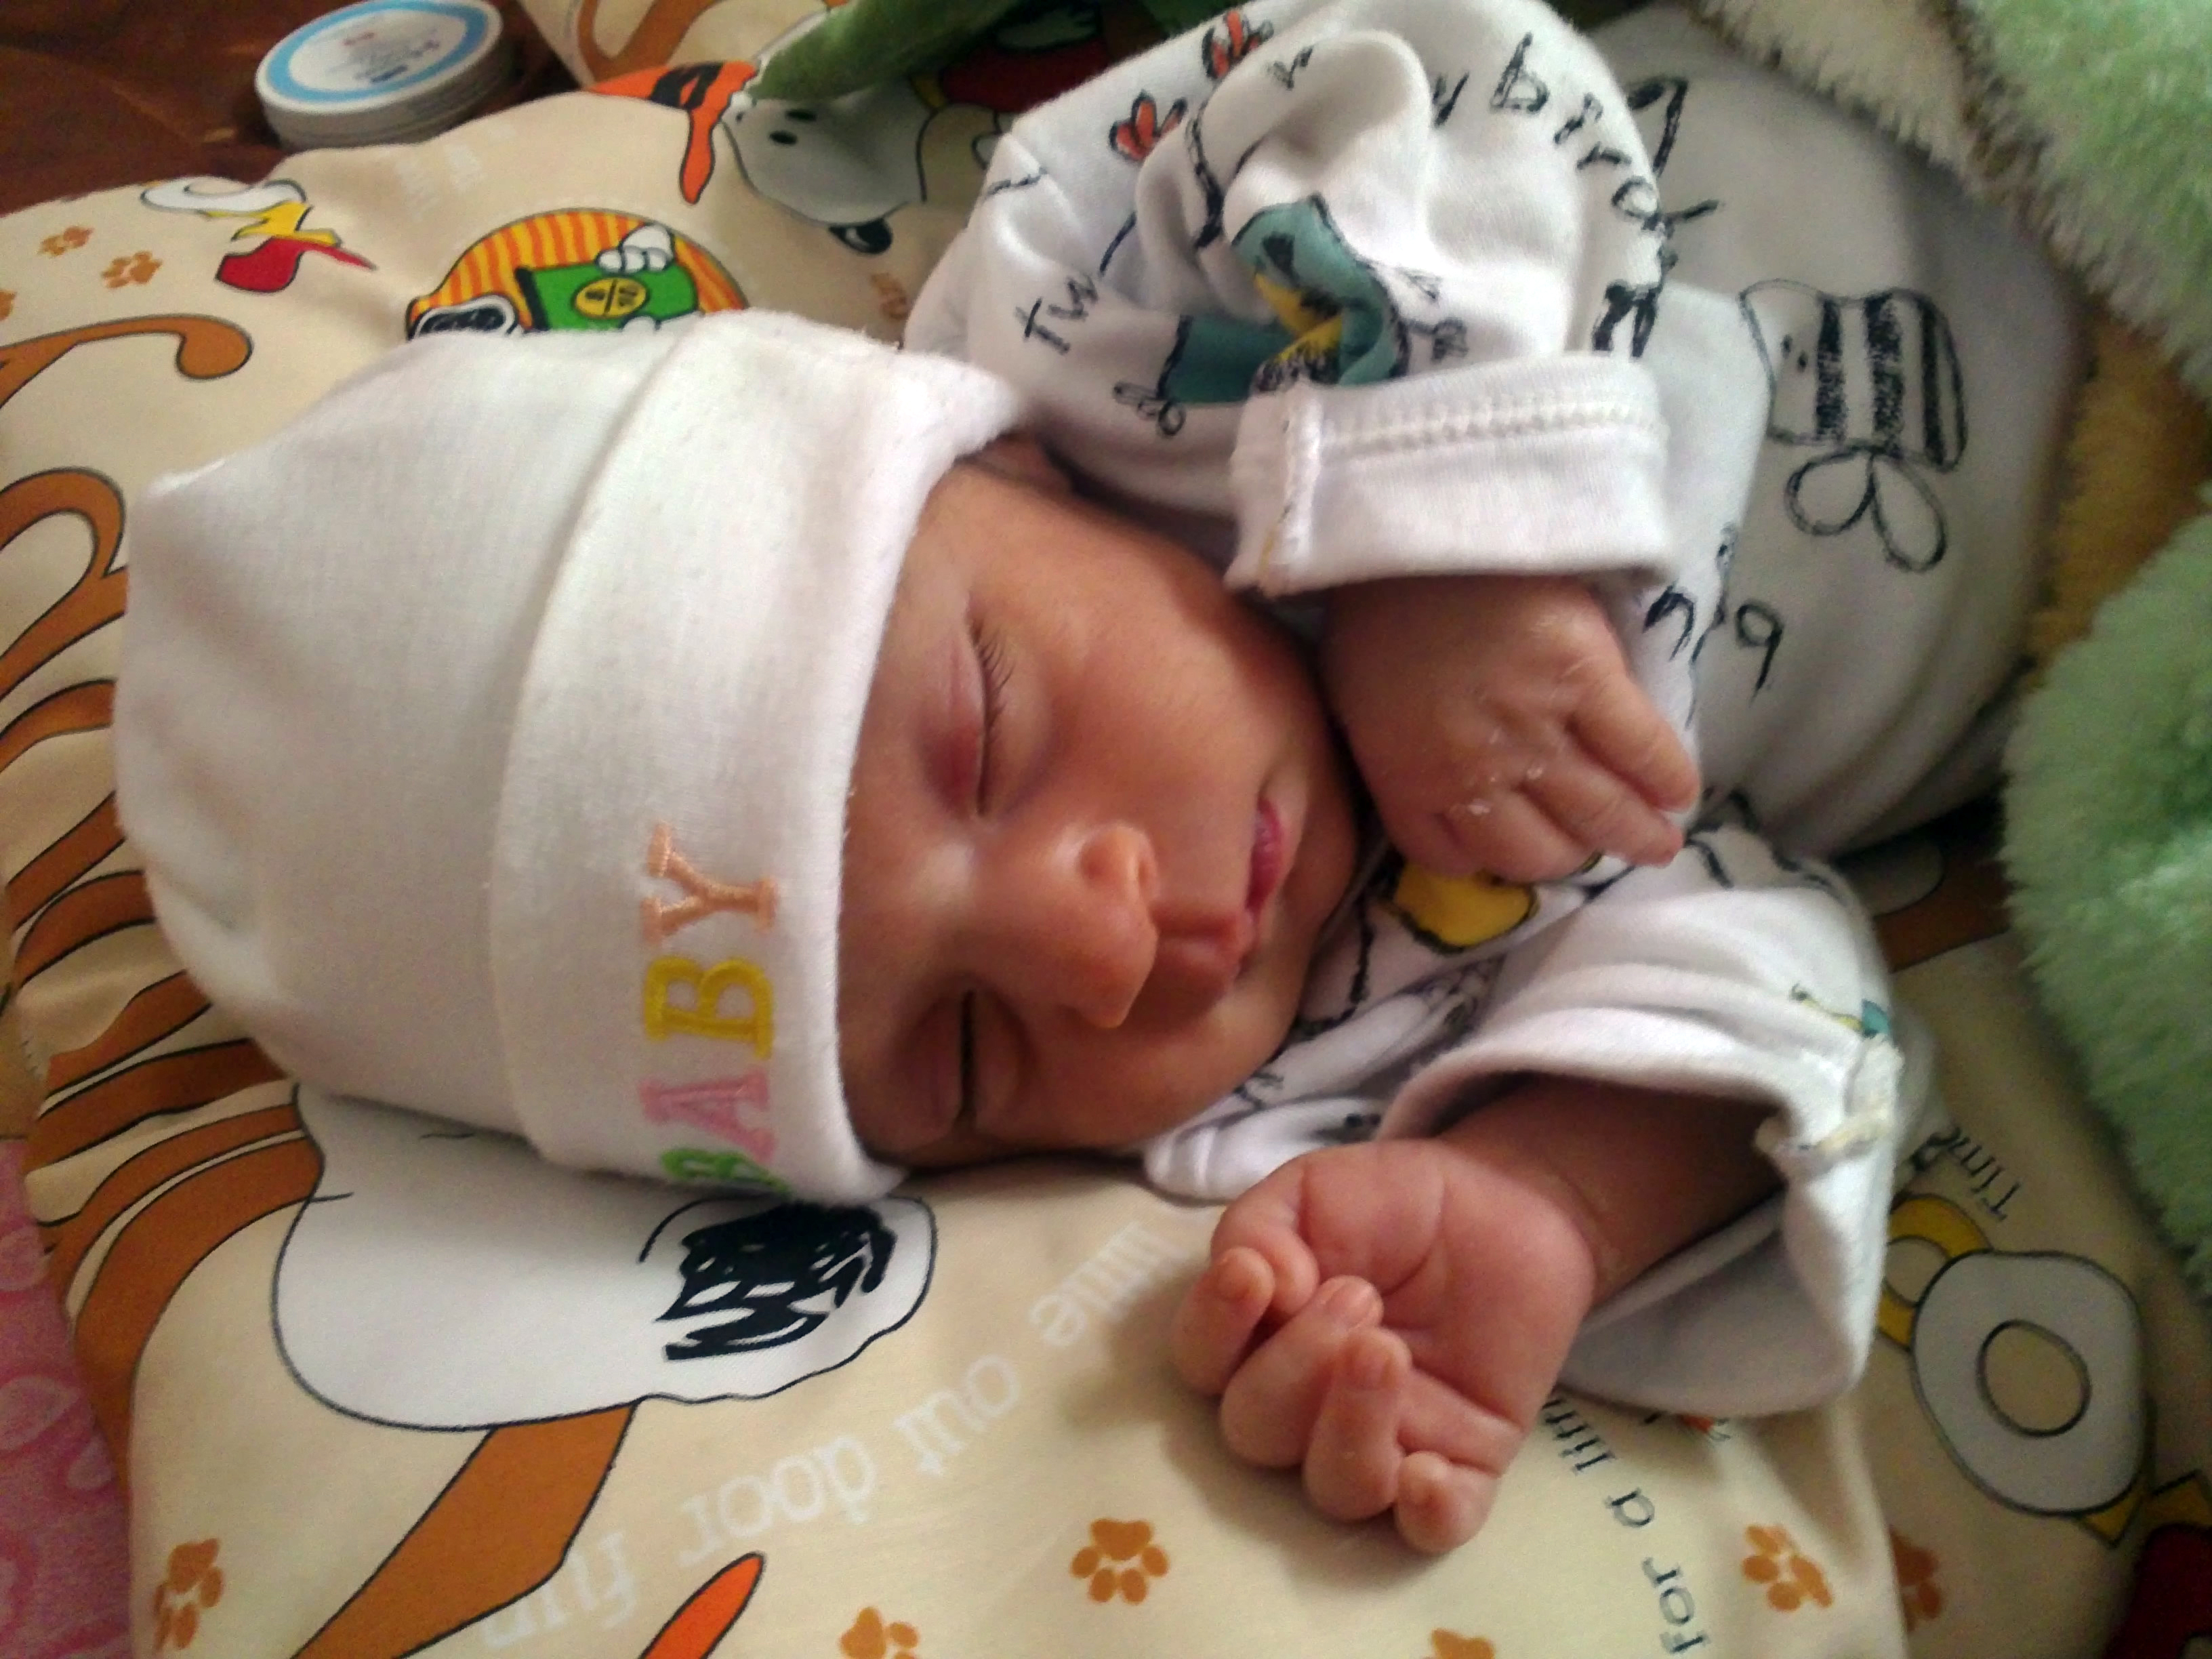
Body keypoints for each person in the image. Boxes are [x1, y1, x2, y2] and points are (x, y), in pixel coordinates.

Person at [110, 0, 2081, 1559]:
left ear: (991, 458)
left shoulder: (1115, 305)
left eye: (989, 740)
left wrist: (1435, 527)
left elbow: (1435, 62)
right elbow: (1787, 967)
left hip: (1968, 109)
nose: (1101, 945)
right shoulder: (1302, 1084)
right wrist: (1546, 1195)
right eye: (967, 1054)